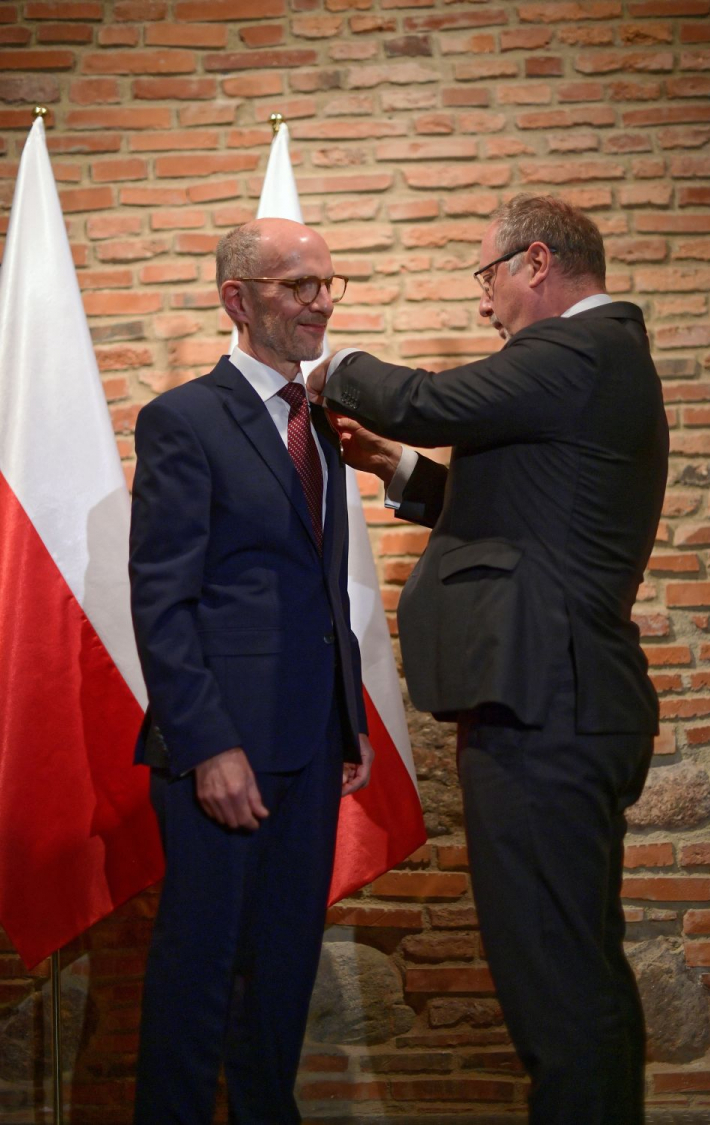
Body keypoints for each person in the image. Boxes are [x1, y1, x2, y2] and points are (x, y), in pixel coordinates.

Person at [309, 194, 668, 1125]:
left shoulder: (579, 349)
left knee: (555, 981)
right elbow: (525, 513)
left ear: (536, 262)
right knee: (571, 964)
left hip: (547, 703)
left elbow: (429, 399)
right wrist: (396, 471)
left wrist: (330, 360)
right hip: (561, 698)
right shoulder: (597, 362)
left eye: (488, 278)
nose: (485, 304)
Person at [128, 217, 373, 1125]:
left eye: (327, 284)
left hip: (310, 745)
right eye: (296, 286)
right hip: (223, 754)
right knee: (198, 983)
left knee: (279, 982)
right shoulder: (182, 419)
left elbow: (316, 584)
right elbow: (163, 598)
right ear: (238, 299)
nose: (319, 302)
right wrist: (209, 747)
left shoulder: (326, 425)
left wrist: (346, 720)